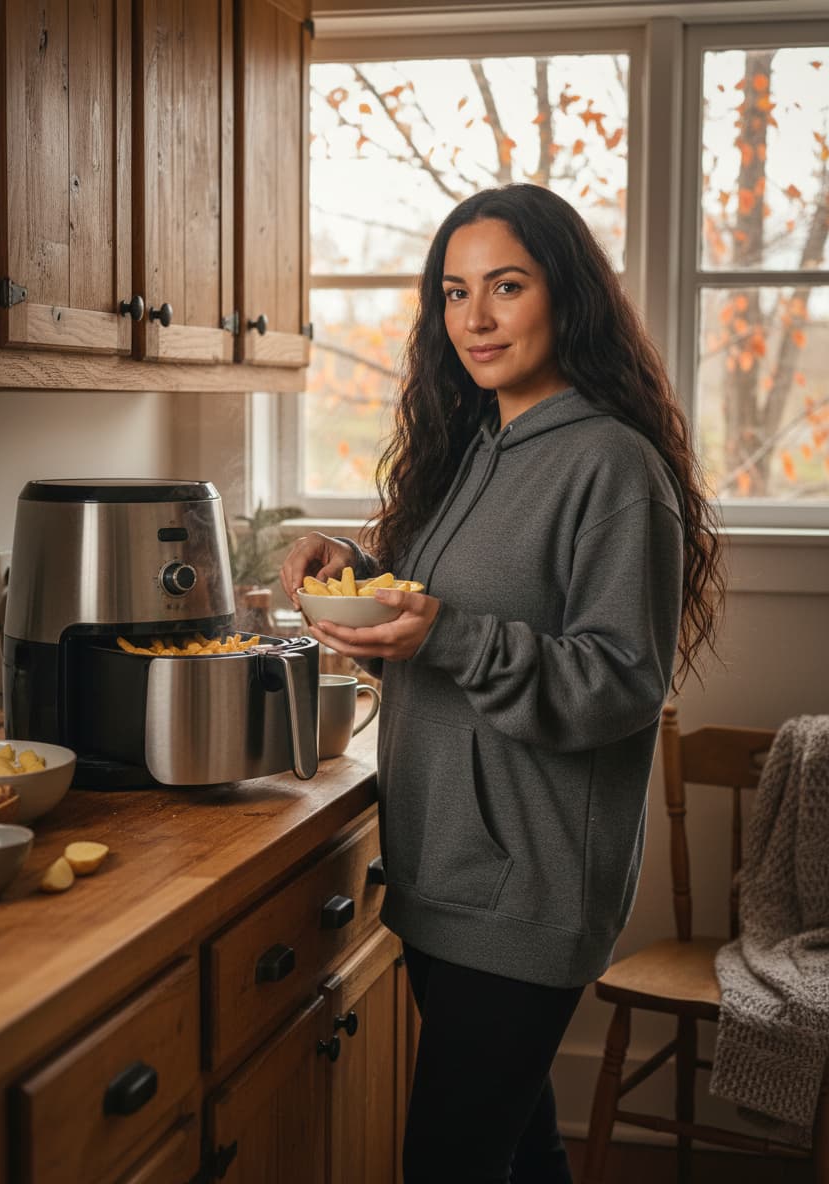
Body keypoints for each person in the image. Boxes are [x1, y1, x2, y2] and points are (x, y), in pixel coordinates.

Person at [280, 183, 724, 1184]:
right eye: (454, 292)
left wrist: (449, 635)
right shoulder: (472, 446)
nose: (474, 318)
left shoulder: (613, 465)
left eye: (506, 286)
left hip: (524, 887)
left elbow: (618, 684)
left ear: (564, 295)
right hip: (442, 868)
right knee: (518, 1148)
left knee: (446, 1163)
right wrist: (349, 563)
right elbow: (429, 598)